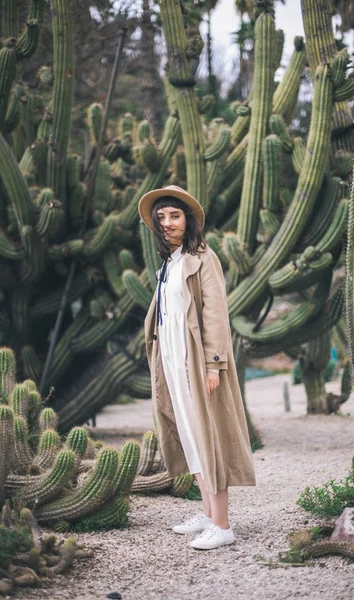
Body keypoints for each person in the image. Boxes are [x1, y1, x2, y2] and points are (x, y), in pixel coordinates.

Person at [138, 185, 256, 551]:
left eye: (175, 215)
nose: (167, 223)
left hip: (195, 359)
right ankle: (207, 513)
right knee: (189, 434)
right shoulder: (169, 263)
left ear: (188, 220)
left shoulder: (203, 257)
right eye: (161, 217)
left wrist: (213, 364)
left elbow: (215, 312)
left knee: (208, 436)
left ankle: (222, 525)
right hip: (172, 360)